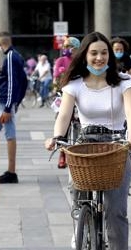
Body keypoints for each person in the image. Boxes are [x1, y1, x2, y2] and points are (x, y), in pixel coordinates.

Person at [44, 31, 131, 250]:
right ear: (84, 55)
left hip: (117, 144)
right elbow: (64, 115)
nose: (99, 58)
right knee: (77, 189)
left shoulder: (124, 82)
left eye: (104, 53)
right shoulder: (74, 84)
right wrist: (56, 137)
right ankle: (82, 221)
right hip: (85, 143)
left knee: (116, 210)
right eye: (94, 53)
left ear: (110, 55)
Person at [0, 31, 28, 184]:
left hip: (5, 102)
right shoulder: (16, 56)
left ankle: (11, 172)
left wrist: (8, 107)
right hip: (7, 101)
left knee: (9, 134)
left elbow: (12, 83)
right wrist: (16, 102)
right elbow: (23, 82)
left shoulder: (11, 57)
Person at [53, 36, 81, 169]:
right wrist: (56, 90)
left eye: (70, 47)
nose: (67, 49)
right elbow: (56, 79)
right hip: (64, 95)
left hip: (80, 96)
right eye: (65, 47)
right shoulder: (61, 60)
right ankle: (62, 154)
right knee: (63, 122)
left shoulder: (81, 62)